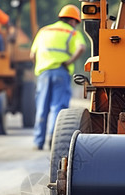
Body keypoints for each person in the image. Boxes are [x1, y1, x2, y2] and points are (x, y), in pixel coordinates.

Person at [30, 4, 86, 150]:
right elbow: (81, 47)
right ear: (73, 21)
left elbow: (32, 55)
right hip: (61, 71)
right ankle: (53, 139)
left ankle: (38, 141)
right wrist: (69, 61)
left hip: (44, 72)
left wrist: (41, 66)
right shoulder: (73, 33)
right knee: (58, 108)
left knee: (42, 107)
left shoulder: (44, 31)